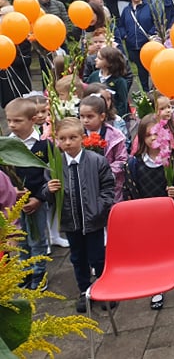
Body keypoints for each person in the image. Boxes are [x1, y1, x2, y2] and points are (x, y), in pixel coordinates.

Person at [123, 114, 174, 310]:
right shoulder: (134, 164)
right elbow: (129, 191)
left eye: (156, 134)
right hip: (150, 221)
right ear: (142, 138)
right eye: (148, 135)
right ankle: (158, 287)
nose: (153, 139)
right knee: (156, 254)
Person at [42, 117, 115, 313]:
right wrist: (48, 190)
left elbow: (108, 187)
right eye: (62, 138)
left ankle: (105, 288)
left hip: (94, 220)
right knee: (77, 258)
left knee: (98, 257)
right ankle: (84, 290)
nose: (67, 143)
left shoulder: (96, 161)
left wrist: (101, 207)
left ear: (83, 138)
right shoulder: (54, 166)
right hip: (71, 222)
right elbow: (48, 196)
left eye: (72, 137)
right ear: (57, 140)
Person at [7, 98, 52, 290]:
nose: (12, 125)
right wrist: (12, 192)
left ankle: (39, 271)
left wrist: (39, 198)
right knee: (20, 237)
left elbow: (50, 175)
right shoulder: (6, 145)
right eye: (9, 120)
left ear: (33, 120)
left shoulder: (43, 145)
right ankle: (25, 270)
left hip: (36, 201)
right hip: (14, 201)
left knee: (37, 238)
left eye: (17, 121)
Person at [78, 95, 127, 202]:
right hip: (83, 183)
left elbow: (122, 160)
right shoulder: (76, 135)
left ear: (102, 116)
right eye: (82, 116)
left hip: (109, 184)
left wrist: (107, 173)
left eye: (90, 116)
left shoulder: (115, 136)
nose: (85, 120)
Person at [116, 0, 160, 91]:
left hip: (148, 44)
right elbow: (121, 25)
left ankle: (157, 88)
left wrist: (151, 34)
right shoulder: (126, 10)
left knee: (153, 66)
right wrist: (125, 35)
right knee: (141, 68)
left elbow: (156, 23)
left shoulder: (149, 7)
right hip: (133, 45)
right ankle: (145, 90)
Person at [84, 45, 129, 117]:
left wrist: (116, 117)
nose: (95, 59)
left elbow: (122, 103)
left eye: (100, 58)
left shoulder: (119, 81)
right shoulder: (94, 75)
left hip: (111, 116)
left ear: (110, 63)